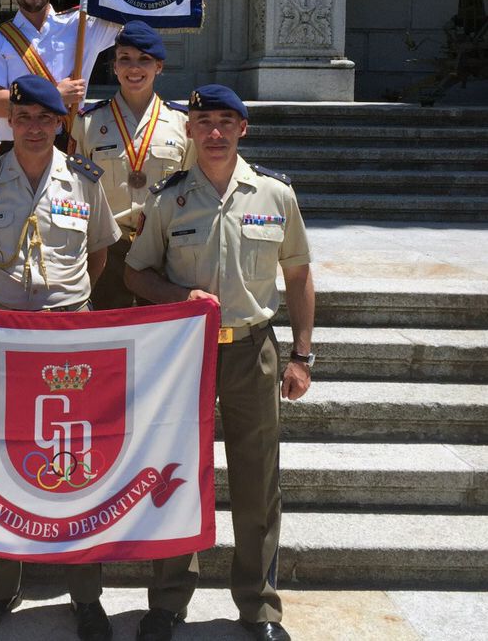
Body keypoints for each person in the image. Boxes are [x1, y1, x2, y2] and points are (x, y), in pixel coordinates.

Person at [123, 85, 315, 641]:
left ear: (242, 130)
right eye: (203, 121)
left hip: (253, 351)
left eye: (224, 122)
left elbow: (299, 276)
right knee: (174, 477)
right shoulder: (168, 200)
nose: (213, 132)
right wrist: (175, 298)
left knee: (257, 485)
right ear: (189, 130)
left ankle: (258, 608)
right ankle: (167, 602)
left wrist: (301, 356)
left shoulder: (275, 196)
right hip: (184, 352)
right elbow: (136, 272)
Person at [0, 75, 121, 640]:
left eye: (46, 118)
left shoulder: (85, 181)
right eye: (24, 118)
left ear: (60, 123)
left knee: (79, 465)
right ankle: (2, 583)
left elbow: (97, 257)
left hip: (68, 339)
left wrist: (59, 307)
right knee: (0, 460)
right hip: (0, 339)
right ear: (10, 122)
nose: (35, 127)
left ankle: (85, 592)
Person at [70, 21, 194, 309]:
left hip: (163, 250)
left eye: (144, 60)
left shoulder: (183, 123)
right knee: (109, 340)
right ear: (114, 66)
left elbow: (191, 187)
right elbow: (78, 192)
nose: (134, 68)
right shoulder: (88, 122)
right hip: (108, 248)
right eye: (125, 59)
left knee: (158, 340)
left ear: (159, 67)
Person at [0, 0, 119, 148]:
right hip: (15, 147)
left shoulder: (81, 25)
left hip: (68, 143)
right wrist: (55, 96)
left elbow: (128, 17)